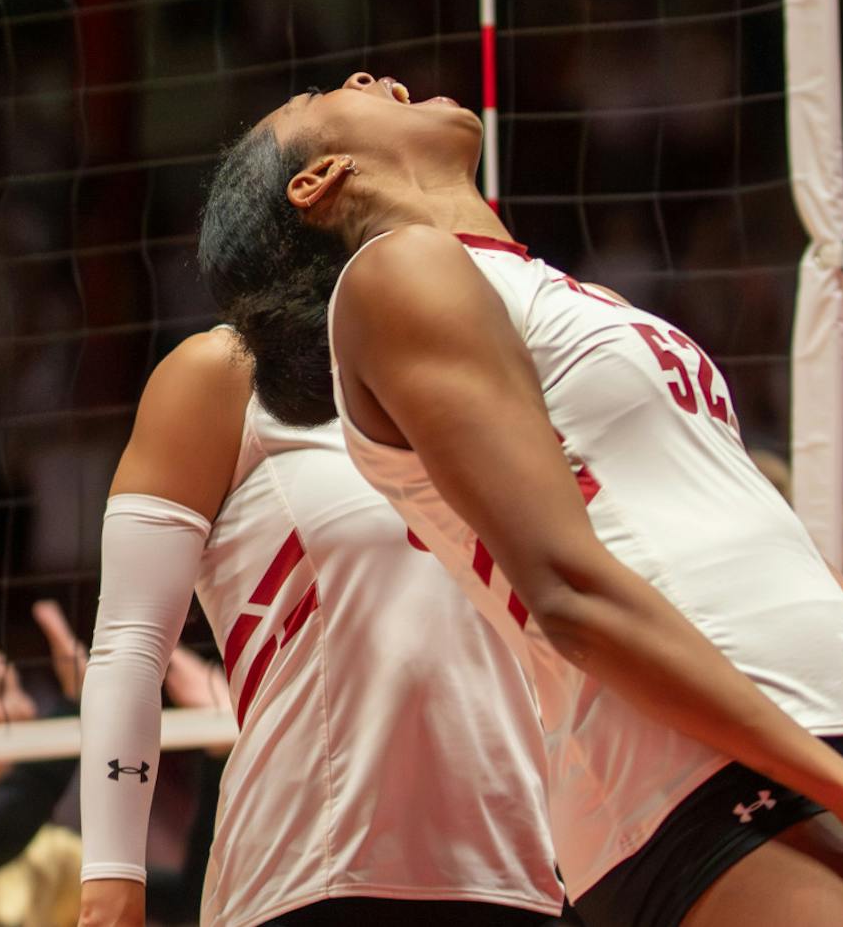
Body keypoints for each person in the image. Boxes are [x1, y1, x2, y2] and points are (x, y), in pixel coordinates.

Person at [198, 71, 843, 927]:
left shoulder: (583, 299)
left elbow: (792, 556)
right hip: (691, 775)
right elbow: (570, 593)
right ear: (319, 179)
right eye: (320, 95)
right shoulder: (396, 277)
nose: (364, 76)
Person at [76, 326, 564, 927]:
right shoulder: (228, 373)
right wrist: (111, 884)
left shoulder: (496, 370)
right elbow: (129, 645)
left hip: (521, 872)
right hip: (309, 874)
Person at [0, 604, 214, 927]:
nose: (27, 709)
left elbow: (187, 901)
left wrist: (219, 756)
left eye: (21, 689)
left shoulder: (48, 856)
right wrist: (76, 709)